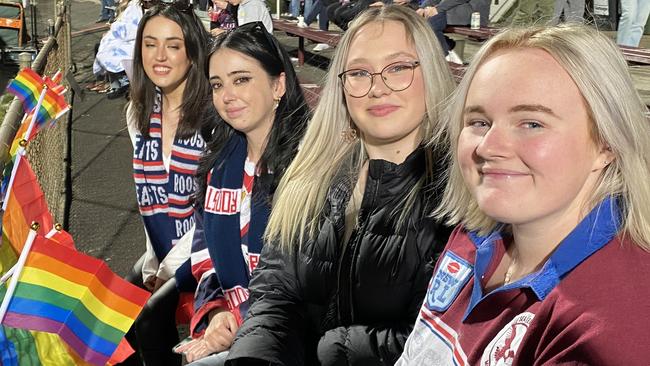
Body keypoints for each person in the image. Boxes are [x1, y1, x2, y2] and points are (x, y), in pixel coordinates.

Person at [396, 24, 650, 365]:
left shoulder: (608, 325)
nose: (488, 147)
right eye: (479, 122)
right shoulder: (476, 234)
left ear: (606, 143)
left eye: (531, 123)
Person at [226, 5, 454, 365]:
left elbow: (440, 341)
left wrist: (336, 350)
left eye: (397, 68)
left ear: (432, 71)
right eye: (360, 73)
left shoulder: (457, 193)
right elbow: (274, 293)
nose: (378, 88)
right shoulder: (314, 174)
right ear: (343, 85)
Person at [169, 22, 310, 365]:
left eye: (241, 79)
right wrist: (217, 313)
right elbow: (205, 254)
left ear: (279, 84)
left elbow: (307, 283)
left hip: (291, 336)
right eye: (218, 84)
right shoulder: (220, 165)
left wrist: (243, 322)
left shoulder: (310, 166)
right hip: (234, 322)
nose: (227, 95)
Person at [122, 1, 211, 364]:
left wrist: (164, 270)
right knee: (117, 314)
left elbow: (213, 212)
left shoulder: (213, 117)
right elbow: (148, 200)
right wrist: (151, 263)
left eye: (173, 45)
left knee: (149, 318)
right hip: (162, 249)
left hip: (209, 248)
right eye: (150, 43)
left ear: (192, 52)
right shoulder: (138, 112)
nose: (160, 55)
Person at [416, 0, 490, 63]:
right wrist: (422, 8)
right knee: (416, 20)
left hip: (472, 10)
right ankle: (447, 45)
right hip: (451, 7)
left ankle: (444, 58)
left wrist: (438, 9)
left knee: (431, 22)